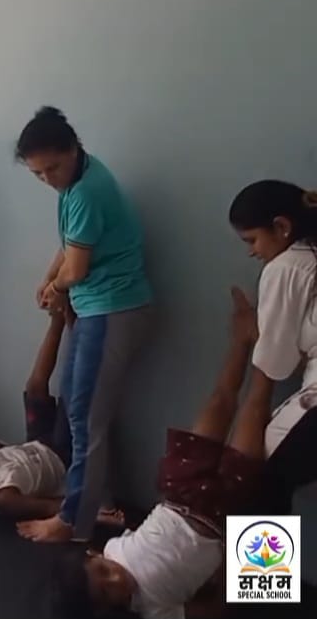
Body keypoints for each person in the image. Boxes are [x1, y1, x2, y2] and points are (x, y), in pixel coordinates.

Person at [52, 289, 270, 619]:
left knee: (219, 402)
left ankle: (242, 337)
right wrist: (228, 569)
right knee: (256, 410)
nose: (116, 579)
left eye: (103, 571)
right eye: (108, 593)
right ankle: (271, 349)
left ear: (95, 554)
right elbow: (215, 612)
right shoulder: (153, 610)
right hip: (223, 518)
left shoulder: (112, 549)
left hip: (179, 493)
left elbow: (147, 538)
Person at [14, 106, 153, 542]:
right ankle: (100, 504)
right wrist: (48, 279)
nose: (47, 179)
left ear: (73, 150)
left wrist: (57, 287)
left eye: (52, 168)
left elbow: (75, 269)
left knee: (87, 418)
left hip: (111, 309)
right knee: (78, 410)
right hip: (94, 308)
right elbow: (71, 246)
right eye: (38, 174)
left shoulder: (88, 190)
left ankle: (74, 523)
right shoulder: (76, 181)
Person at [0, 312, 125, 524]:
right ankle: (81, 334)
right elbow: (46, 507)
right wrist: (92, 512)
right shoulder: (1, 498)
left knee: (34, 388)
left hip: (37, 444)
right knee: (72, 397)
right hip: (60, 456)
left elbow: (3, 453)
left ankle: (57, 321)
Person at [229, 180, 317, 513]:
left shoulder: (285, 267)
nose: (251, 252)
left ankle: (261, 553)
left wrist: (254, 333)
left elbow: (277, 365)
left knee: (254, 481)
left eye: (252, 240)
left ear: (281, 227)